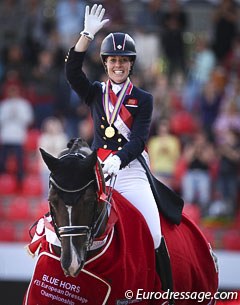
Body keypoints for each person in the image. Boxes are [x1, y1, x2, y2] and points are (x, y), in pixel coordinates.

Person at [65, 4, 162, 250]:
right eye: (113, 60)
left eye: (123, 60)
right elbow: (72, 73)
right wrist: (86, 35)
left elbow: (139, 139)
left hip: (129, 170)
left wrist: (119, 159)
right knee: (69, 219)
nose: (118, 65)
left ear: (131, 64)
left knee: (154, 235)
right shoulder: (96, 93)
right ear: (105, 63)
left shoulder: (143, 98)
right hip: (97, 169)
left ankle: (160, 286)